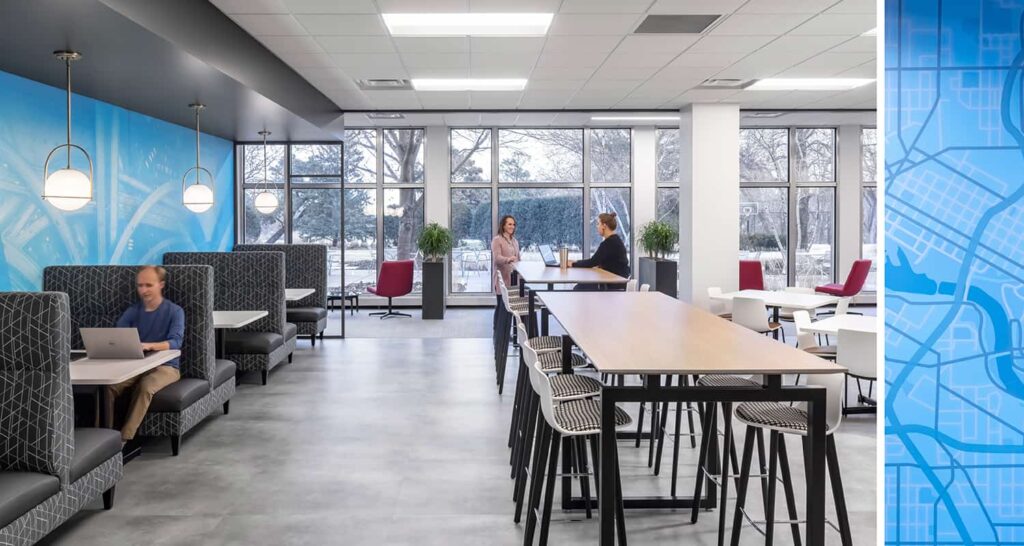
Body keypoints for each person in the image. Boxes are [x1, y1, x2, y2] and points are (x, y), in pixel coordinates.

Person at [109, 265, 185, 443]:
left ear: (161, 285)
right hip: (135, 364)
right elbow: (119, 334)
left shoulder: (175, 311)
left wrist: (150, 346)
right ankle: (102, 436)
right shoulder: (132, 311)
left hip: (166, 367)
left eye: (148, 285)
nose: (143, 290)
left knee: (146, 387)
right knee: (108, 388)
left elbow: (176, 342)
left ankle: (124, 439)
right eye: (140, 285)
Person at [569, 212, 630, 290]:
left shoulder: (609, 243)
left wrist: (573, 263)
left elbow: (592, 262)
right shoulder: (615, 240)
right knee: (581, 286)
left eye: (598, 224)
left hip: (613, 284)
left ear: (604, 226)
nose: (597, 226)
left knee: (579, 288)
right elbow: (601, 261)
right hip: (616, 282)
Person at [491, 215, 521, 335]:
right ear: (503, 225)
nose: (512, 227)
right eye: (509, 224)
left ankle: (506, 332)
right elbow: (497, 259)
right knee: (501, 307)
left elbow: (518, 259)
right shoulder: (497, 240)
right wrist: (508, 259)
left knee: (509, 308)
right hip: (502, 279)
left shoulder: (515, 241)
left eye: (513, 224)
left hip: (514, 279)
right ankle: (498, 333)